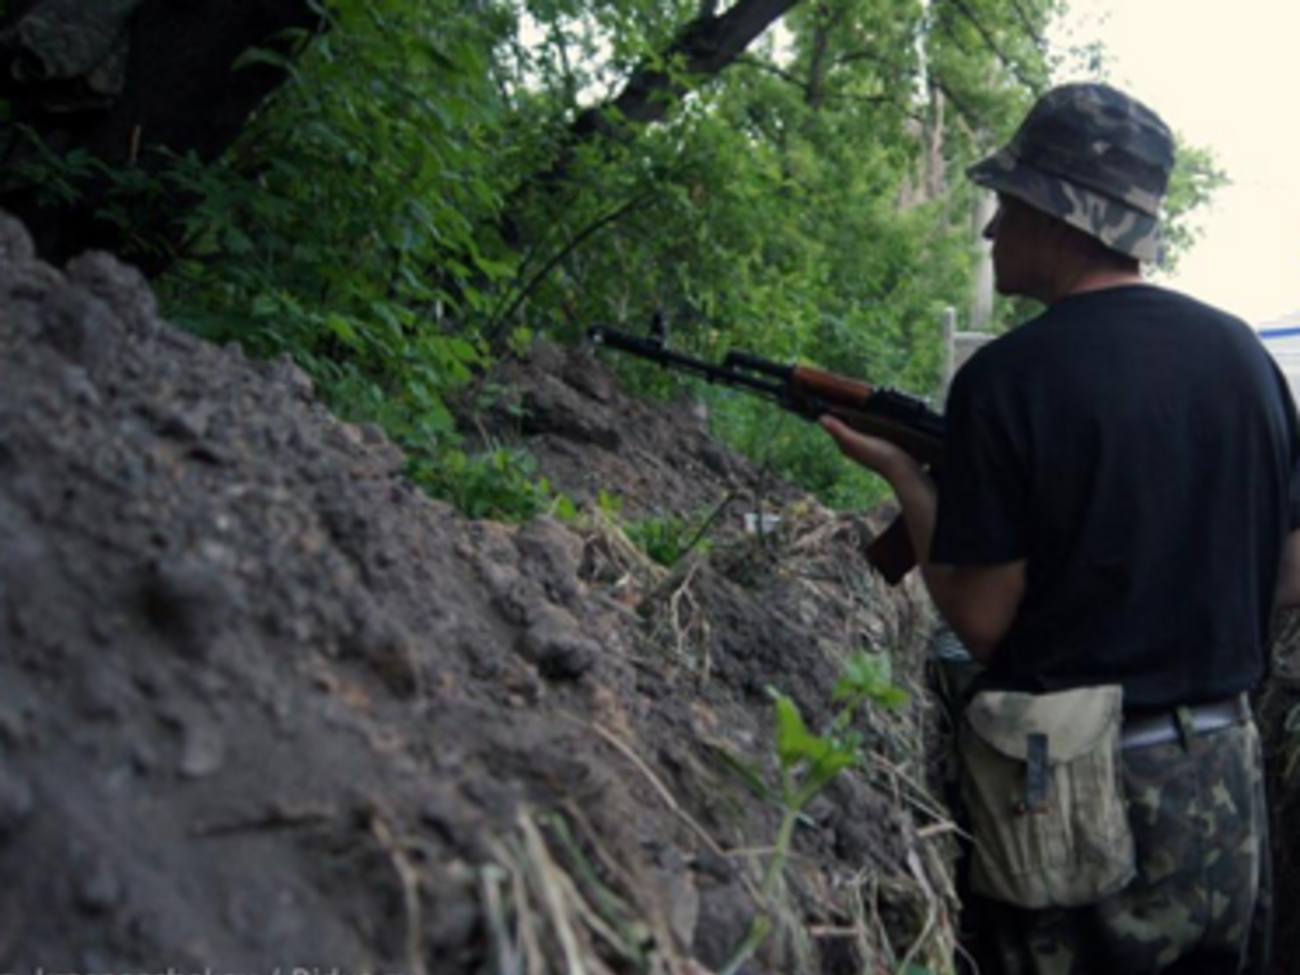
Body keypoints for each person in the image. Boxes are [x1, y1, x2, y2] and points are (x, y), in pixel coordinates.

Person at [823, 82, 1300, 974]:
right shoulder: (1248, 359)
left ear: (1060, 215)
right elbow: (1291, 572)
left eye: (1008, 203)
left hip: (1081, 794)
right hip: (1229, 774)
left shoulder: (1008, 381)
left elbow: (986, 621)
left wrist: (900, 473)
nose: (992, 229)